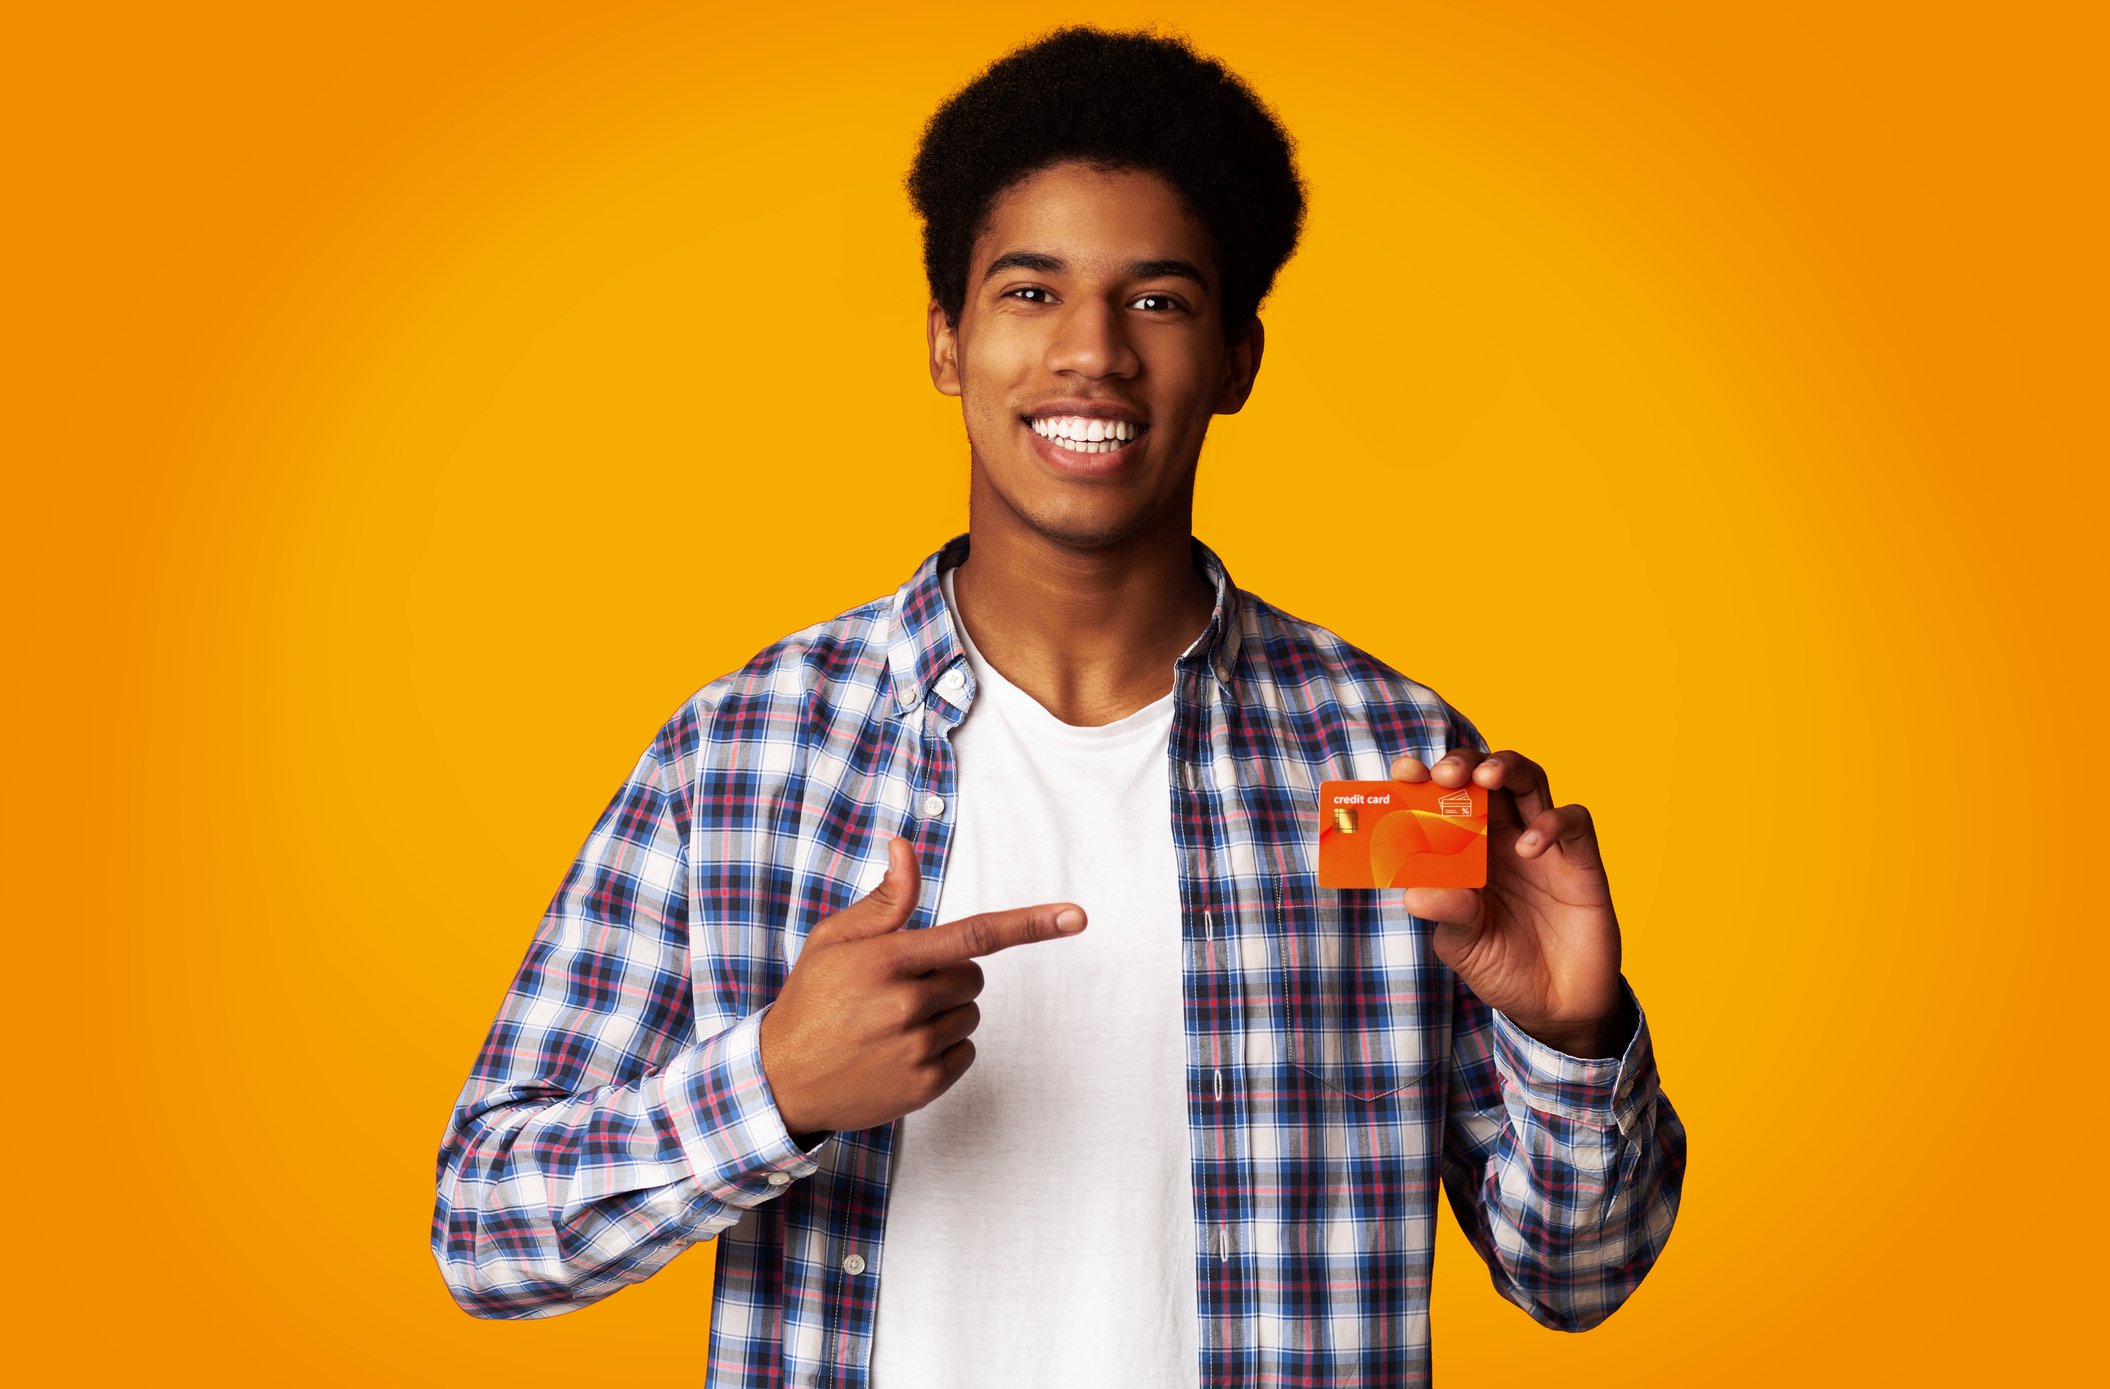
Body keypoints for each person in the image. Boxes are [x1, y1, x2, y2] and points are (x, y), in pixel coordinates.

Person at [432, 24, 1685, 1388]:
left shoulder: (1376, 761)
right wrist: (772, 1089)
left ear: (1239, 357)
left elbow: (1574, 1276)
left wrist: (1571, 1037)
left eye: (1157, 301)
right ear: (946, 340)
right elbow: (488, 1227)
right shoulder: (750, 752)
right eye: (1030, 291)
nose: (1092, 352)